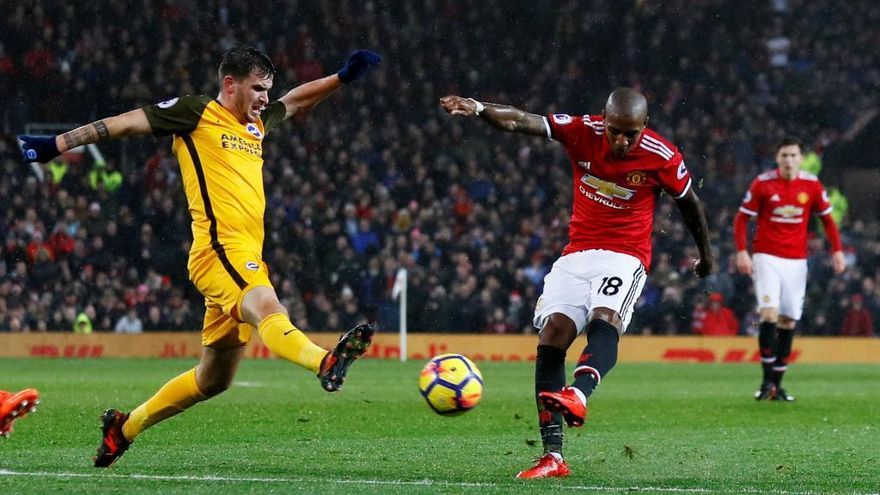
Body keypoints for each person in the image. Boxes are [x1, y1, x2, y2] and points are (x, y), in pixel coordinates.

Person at [19, 46, 381, 467]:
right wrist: (56, 144)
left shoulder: (256, 125)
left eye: (267, 89)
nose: (265, 98)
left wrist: (341, 77)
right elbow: (126, 122)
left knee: (213, 379)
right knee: (268, 307)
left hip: (243, 255)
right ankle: (324, 361)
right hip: (219, 250)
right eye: (257, 88)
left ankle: (123, 428)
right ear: (230, 84)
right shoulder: (197, 112)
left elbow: (296, 101)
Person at [440, 88, 713, 479]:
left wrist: (706, 255)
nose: (622, 141)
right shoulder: (582, 131)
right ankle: (552, 456)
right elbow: (521, 120)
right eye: (615, 131)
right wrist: (479, 108)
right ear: (603, 119)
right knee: (553, 334)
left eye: (631, 134)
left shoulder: (662, 156)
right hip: (576, 253)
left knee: (606, 317)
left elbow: (690, 205)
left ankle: (579, 393)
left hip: (624, 255)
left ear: (645, 126)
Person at [733, 137, 845, 402]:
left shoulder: (812, 185)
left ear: (801, 158)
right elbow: (741, 218)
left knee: (788, 320)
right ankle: (766, 382)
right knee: (769, 314)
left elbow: (828, 220)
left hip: (796, 261)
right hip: (766, 257)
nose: (789, 160)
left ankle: (777, 385)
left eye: (793, 155)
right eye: (784, 155)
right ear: (777, 158)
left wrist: (837, 250)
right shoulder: (762, 183)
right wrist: (742, 251)